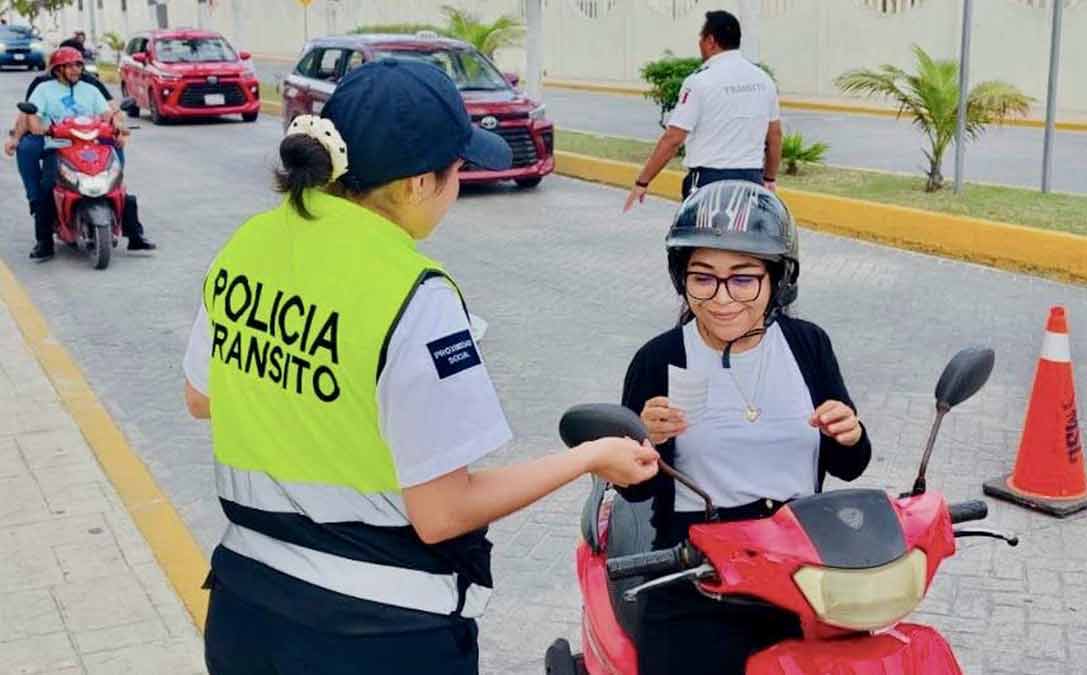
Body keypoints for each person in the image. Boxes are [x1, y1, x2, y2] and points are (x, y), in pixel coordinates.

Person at [181, 59, 660, 675]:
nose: (459, 187)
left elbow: (201, 395)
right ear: (414, 185)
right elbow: (443, 514)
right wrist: (590, 458)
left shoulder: (250, 242)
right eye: (458, 171)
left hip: (248, 612)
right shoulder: (416, 297)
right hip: (378, 634)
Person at [616, 180, 872, 674]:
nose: (721, 298)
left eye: (743, 278)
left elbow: (848, 467)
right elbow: (632, 492)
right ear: (682, 279)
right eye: (703, 278)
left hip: (802, 572)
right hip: (695, 578)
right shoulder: (659, 358)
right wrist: (646, 445)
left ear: (778, 280)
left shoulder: (807, 345)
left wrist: (851, 434)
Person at [624, 10, 783, 211]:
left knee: (687, 240)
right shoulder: (763, 79)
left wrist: (642, 182)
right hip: (751, 182)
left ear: (710, 41)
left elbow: (673, 138)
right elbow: (775, 136)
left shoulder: (699, 82)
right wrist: (769, 178)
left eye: (701, 37)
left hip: (707, 183)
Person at [8, 47, 155, 260]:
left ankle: (135, 236)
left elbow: (107, 113)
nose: (76, 69)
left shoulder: (91, 90)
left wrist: (118, 126)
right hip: (58, 147)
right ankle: (44, 242)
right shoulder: (43, 89)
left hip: (94, 146)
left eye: (78, 65)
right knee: (47, 188)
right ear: (58, 69)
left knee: (116, 187)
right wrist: (36, 126)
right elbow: (32, 116)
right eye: (70, 65)